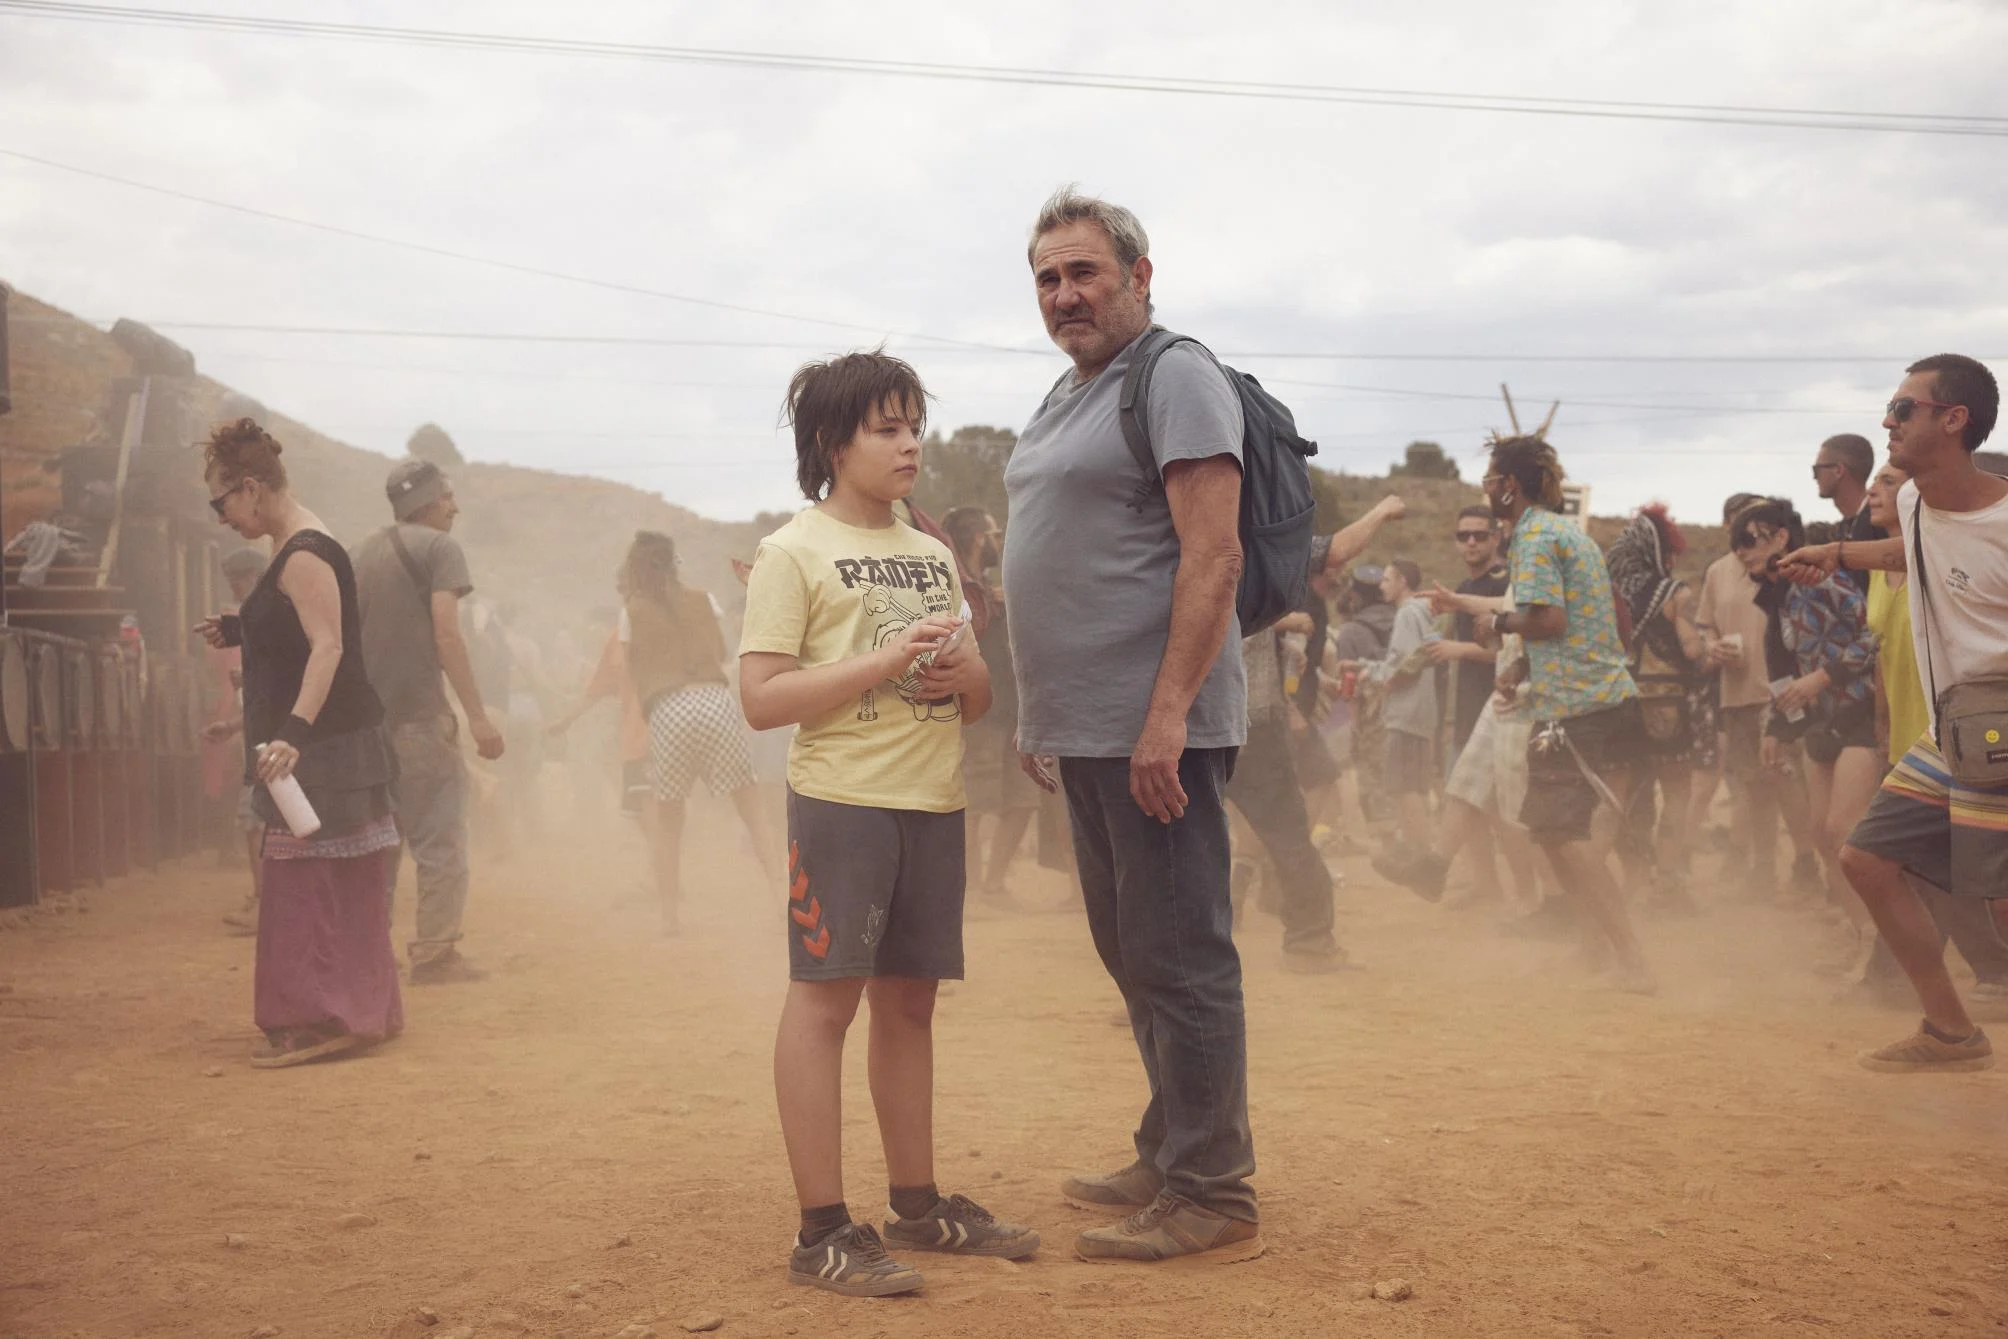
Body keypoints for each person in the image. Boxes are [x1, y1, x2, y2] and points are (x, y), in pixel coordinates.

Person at [739, 351, 1035, 1297]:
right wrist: (883, 660)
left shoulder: (931, 553)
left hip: (933, 804)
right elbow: (761, 699)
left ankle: (918, 1202)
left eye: (916, 427)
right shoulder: (793, 551)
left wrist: (966, 676)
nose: (911, 445)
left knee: (910, 1005)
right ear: (835, 442)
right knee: (825, 1004)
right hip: (842, 805)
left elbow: (975, 699)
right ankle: (822, 1230)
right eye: (888, 428)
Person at [1005, 186, 1262, 1264]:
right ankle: (1170, 1149)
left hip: (1156, 730)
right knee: (1133, 949)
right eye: (1047, 278)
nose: (1064, 293)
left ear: (1139, 276)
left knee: (1179, 952)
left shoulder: (1175, 374)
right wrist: (1042, 709)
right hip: (1089, 728)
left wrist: (1167, 717)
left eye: (1084, 271)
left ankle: (1213, 1190)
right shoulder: (1069, 392)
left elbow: (1213, 553)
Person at [1783, 354, 2008, 1070]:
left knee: (1999, 905)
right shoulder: (1913, 502)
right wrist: (1836, 552)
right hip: (1952, 733)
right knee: (1866, 858)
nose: (1888, 420)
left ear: (1954, 419)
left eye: (1904, 408)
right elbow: (1907, 550)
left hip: (2000, 729)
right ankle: (1951, 1030)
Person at [194, 419, 402, 1068]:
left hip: (325, 749)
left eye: (221, 502)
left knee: (311, 887)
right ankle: (352, 1008)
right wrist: (240, 628)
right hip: (327, 745)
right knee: (327, 882)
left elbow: (329, 645)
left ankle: (323, 1018)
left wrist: (293, 733)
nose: (221, 517)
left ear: (251, 488)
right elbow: (299, 622)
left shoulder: (305, 550)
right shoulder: (291, 545)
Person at [1473, 435, 1654, 992]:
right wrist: (1520, 666)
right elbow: (1575, 623)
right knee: (1562, 838)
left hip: (1580, 711)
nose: (1485, 488)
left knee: (1566, 839)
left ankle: (1632, 961)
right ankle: (1596, 951)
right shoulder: (1565, 533)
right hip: (1602, 703)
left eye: (1490, 479)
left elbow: (1549, 619)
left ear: (1510, 485)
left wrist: (1497, 624)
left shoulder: (1532, 537)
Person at [1848, 461, 2008, 1007]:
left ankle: (1958, 985)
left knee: (1967, 872)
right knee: (1907, 859)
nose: (1876, 490)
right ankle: (1943, 1009)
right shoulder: (1892, 562)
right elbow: (1884, 651)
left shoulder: (1978, 539)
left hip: (1980, 731)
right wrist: (1884, 721)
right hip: (1929, 732)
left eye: (1889, 482)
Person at [563, 532, 775, 933]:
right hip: (714, 701)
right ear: (673, 562)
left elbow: (633, 668)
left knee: (668, 823)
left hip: (668, 711)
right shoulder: (704, 600)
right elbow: (721, 652)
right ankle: (783, 901)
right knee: (753, 814)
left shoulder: (631, 613)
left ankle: (669, 918)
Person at [350, 458, 505, 985]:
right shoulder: (440, 549)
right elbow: (447, 635)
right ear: (427, 502)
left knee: (379, 843)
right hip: (419, 721)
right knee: (440, 839)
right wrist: (478, 718)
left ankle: (369, 955)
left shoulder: (359, 552)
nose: (455, 507)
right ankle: (435, 954)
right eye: (447, 497)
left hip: (366, 729)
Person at [1734, 498, 1880, 943]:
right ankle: (1864, 932)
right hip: (1821, 720)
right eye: (1736, 543)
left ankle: (1884, 936)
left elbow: (1875, 636)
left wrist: (1824, 676)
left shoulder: (1820, 580)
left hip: (1862, 710)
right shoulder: (1774, 595)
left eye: (1749, 540)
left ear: (1782, 538)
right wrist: (1778, 726)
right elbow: (1782, 666)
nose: (1740, 551)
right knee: (1820, 833)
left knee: (1842, 830)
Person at [1424, 506, 1535, 904]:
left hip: (1505, 706)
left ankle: (1527, 894)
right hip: (1471, 704)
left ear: (1495, 538)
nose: (1470, 542)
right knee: (1469, 801)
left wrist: (1459, 649)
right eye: (1463, 535)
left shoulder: (1505, 582)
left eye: (1479, 535)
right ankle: (1487, 887)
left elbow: (1512, 648)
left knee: (1502, 812)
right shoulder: (1463, 587)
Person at [1604, 505, 1711, 908]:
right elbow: (1692, 649)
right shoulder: (1673, 593)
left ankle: (1625, 879)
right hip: (1666, 707)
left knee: (1625, 795)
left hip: (1619, 704)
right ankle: (1668, 883)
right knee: (1677, 792)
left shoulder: (1609, 595)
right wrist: (1707, 652)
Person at [940, 506, 1038, 907]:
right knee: (973, 804)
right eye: (994, 535)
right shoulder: (954, 588)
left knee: (1023, 799)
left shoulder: (993, 590)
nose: (999, 542)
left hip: (1014, 712)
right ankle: (969, 891)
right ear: (981, 539)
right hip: (978, 715)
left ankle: (992, 885)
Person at [1343, 560, 1441, 887]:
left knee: (1404, 787)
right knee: (1413, 786)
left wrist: (1382, 678)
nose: (1382, 586)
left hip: (1405, 711)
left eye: (1387, 579)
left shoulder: (1408, 613)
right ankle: (1419, 854)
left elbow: (1406, 663)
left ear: (1403, 582)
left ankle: (1422, 858)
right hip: (1420, 710)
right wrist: (1369, 668)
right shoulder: (1423, 612)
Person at [205, 546, 269, 935]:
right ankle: (266, 899)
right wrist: (231, 727)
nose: (234, 589)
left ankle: (265, 904)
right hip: (263, 737)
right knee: (258, 822)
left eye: (238, 581)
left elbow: (279, 689)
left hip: (270, 742)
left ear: (254, 577)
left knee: (256, 822)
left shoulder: (267, 618)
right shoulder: (263, 617)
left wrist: (250, 682)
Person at [1813, 433, 1885, 595]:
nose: (1815, 478)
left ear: (1838, 470)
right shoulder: (1846, 527)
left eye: (1817, 470)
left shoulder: (1879, 524)